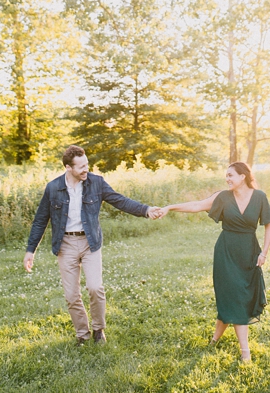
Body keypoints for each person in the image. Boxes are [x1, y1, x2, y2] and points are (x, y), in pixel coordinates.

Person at [24, 145, 165, 344]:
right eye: (81, 166)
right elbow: (40, 220)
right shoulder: (53, 188)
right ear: (68, 167)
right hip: (65, 244)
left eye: (87, 164)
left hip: (90, 242)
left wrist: (146, 209)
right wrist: (31, 250)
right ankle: (82, 335)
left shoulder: (96, 183)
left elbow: (120, 201)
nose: (86, 169)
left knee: (95, 287)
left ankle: (99, 329)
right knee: (72, 296)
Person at [164, 161, 270, 362]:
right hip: (226, 253)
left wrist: (264, 253)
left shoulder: (260, 197)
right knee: (235, 297)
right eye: (226, 175)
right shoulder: (223, 197)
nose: (227, 179)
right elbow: (197, 205)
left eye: (231, 175)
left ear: (243, 176)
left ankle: (214, 340)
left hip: (249, 252)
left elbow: (269, 225)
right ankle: (245, 352)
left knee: (238, 296)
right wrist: (169, 207)